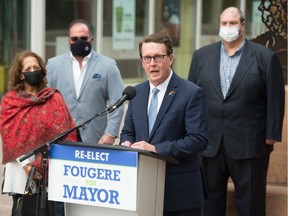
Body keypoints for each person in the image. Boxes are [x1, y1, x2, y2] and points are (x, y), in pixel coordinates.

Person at [188, 7, 285, 216]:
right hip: (209, 143)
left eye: (233, 23)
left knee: (250, 204)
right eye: (224, 23)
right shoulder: (201, 56)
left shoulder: (265, 57)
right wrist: (191, 131)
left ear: (243, 26)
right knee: (208, 203)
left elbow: (276, 97)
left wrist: (272, 134)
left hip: (250, 143)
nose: (228, 27)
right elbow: (192, 97)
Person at [120, 33, 208, 216]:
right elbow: (128, 131)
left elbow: (198, 139)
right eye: (147, 58)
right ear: (142, 61)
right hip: (142, 191)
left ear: (170, 59)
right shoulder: (136, 92)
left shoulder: (191, 93)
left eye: (158, 57)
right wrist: (126, 144)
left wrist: (156, 148)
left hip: (179, 194)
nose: (152, 63)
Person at [0, 50, 77, 216]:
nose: (33, 70)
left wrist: (41, 165)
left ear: (42, 70)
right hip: (21, 173)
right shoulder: (10, 101)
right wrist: (28, 166)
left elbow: (65, 133)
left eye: (36, 67)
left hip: (50, 169)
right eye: (29, 68)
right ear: (21, 75)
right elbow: (9, 136)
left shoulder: (53, 97)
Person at [47, 19, 124, 145]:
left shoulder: (108, 65)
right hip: (61, 138)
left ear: (91, 39)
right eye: (74, 38)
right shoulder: (54, 65)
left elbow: (118, 102)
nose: (79, 42)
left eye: (83, 38)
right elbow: (46, 103)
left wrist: (111, 133)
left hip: (96, 139)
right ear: (68, 41)